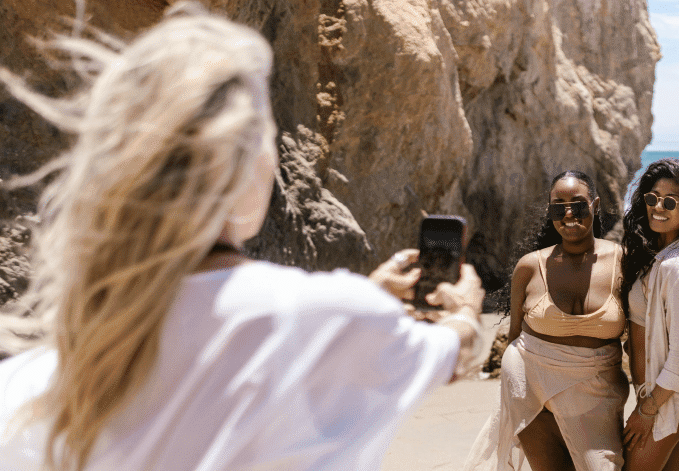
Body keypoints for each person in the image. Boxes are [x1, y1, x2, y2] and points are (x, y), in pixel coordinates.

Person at [0, 5, 484, 470]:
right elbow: (453, 355)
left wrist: (361, 298)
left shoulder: (32, 384)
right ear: (244, 164)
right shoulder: (330, 319)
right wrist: (464, 312)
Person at [464, 171, 628, 471]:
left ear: (595, 205)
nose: (569, 214)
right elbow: (514, 336)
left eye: (578, 204)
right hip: (530, 387)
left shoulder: (623, 262)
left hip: (596, 393)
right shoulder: (529, 267)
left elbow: (641, 335)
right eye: (558, 207)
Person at [619, 158, 679, 471]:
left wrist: (647, 410)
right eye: (652, 198)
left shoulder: (678, 268)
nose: (658, 207)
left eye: (670, 201)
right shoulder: (659, 257)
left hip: (665, 404)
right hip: (660, 399)